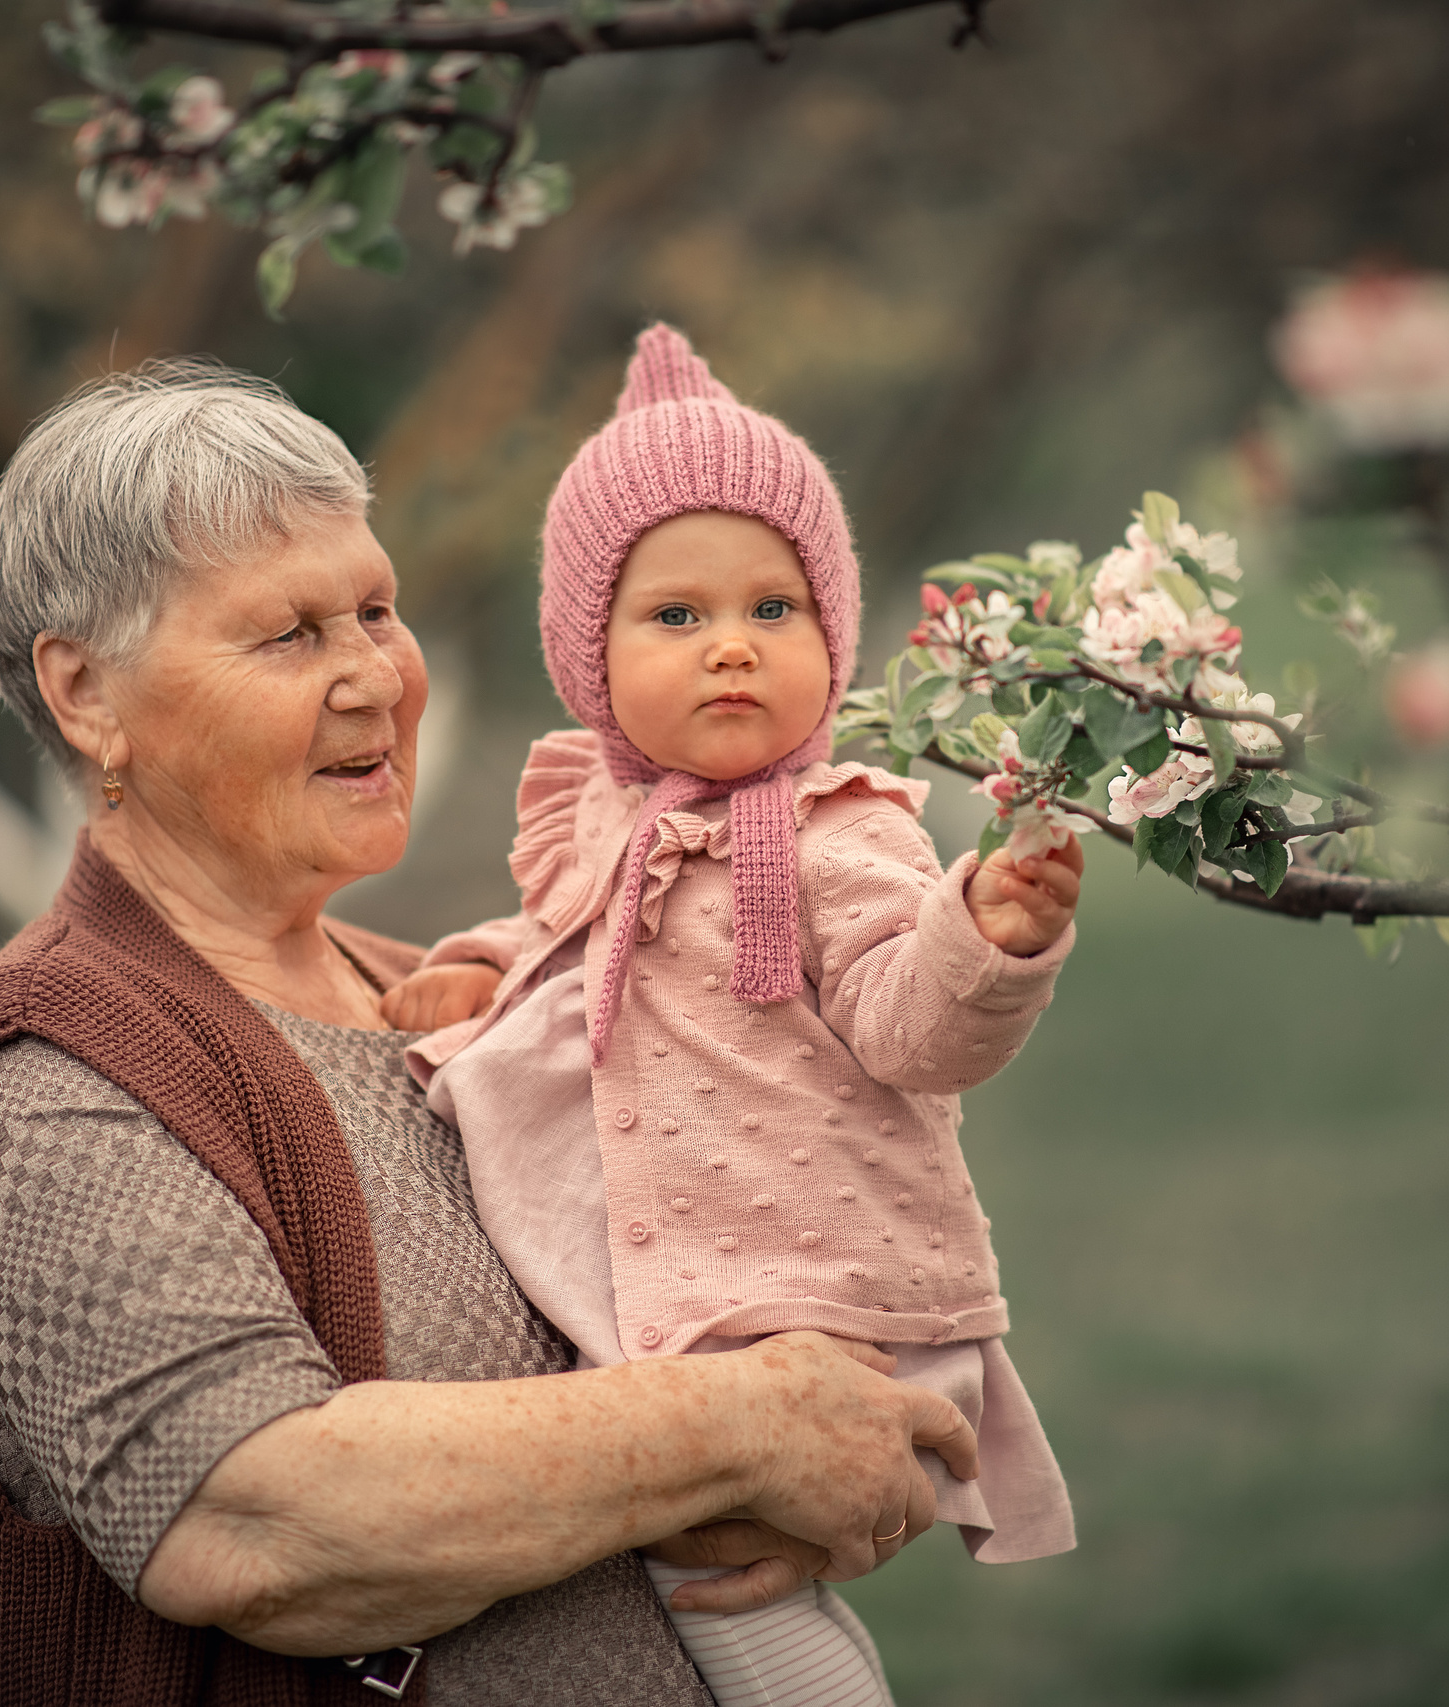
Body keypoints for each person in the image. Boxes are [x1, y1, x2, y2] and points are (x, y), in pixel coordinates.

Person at [0, 358, 980, 1707]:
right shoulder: (48, 1070)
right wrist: (737, 1431)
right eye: (290, 635)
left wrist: (847, 1421)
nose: (374, 679)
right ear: (86, 696)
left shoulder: (461, 1002)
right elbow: (257, 1523)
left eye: (376, 609)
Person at [386, 326, 1084, 1707]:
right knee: (693, 1587)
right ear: (588, 656)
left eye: (776, 611)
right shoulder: (602, 812)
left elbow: (907, 1026)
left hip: (805, 1293)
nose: (732, 652)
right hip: (694, 1291)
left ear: (834, 631)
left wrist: (987, 938)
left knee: (742, 1609)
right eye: (677, 616)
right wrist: (480, 968)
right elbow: (566, 931)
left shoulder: (844, 833)